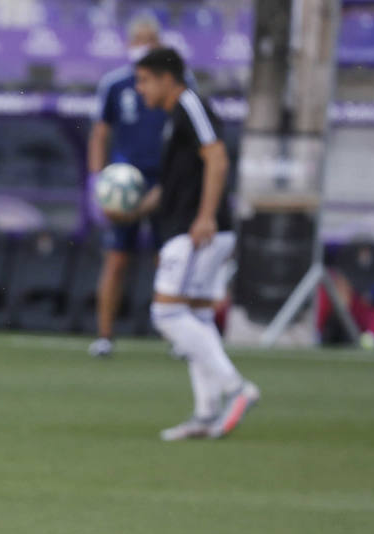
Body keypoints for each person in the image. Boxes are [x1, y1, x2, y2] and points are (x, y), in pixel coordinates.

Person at [122, 47, 258, 441]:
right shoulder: (174, 120)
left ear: (168, 78)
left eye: (144, 79)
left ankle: (236, 389)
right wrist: (134, 210)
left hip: (197, 230)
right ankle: (205, 412)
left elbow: (217, 158)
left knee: (167, 315)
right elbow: (175, 184)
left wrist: (206, 215)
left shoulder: (190, 105)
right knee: (195, 318)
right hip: (191, 226)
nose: (139, 88)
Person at [86, 15, 169, 358]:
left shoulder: (174, 83)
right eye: (138, 40)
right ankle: (105, 336)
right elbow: (100, 132)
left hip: (163, 181)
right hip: (124, 182)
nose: (143, 47)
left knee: (167, 262)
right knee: (117, 260)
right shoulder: (116, 83)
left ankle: (175, 337)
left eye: (150, 40)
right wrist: (97, 179)